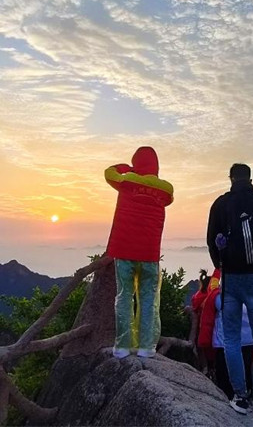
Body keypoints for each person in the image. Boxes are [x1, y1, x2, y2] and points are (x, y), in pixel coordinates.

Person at [207, 163, 253, 423]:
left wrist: (220, 264)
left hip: (231, 277)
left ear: (230, 178)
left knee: (231, 339)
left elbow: (210, 239)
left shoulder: (221, 203)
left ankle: (240, 397)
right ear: (250, 178)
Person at [105, 146, 173, 358]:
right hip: (149, 255)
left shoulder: (127, 182)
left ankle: (123, 347)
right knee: (148, 301)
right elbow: (169, 200)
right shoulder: (165, 189)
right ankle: (146, 348)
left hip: (124, 252)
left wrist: (125, 167)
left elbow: (109, 173)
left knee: (124, 297)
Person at [213, 295, 253, 399]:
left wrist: (214, 289)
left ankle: (229, 399)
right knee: (246, 371)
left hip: (227, 342)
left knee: (225, 374)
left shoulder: (223, 297)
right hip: (248, 341)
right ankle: (245, 398)